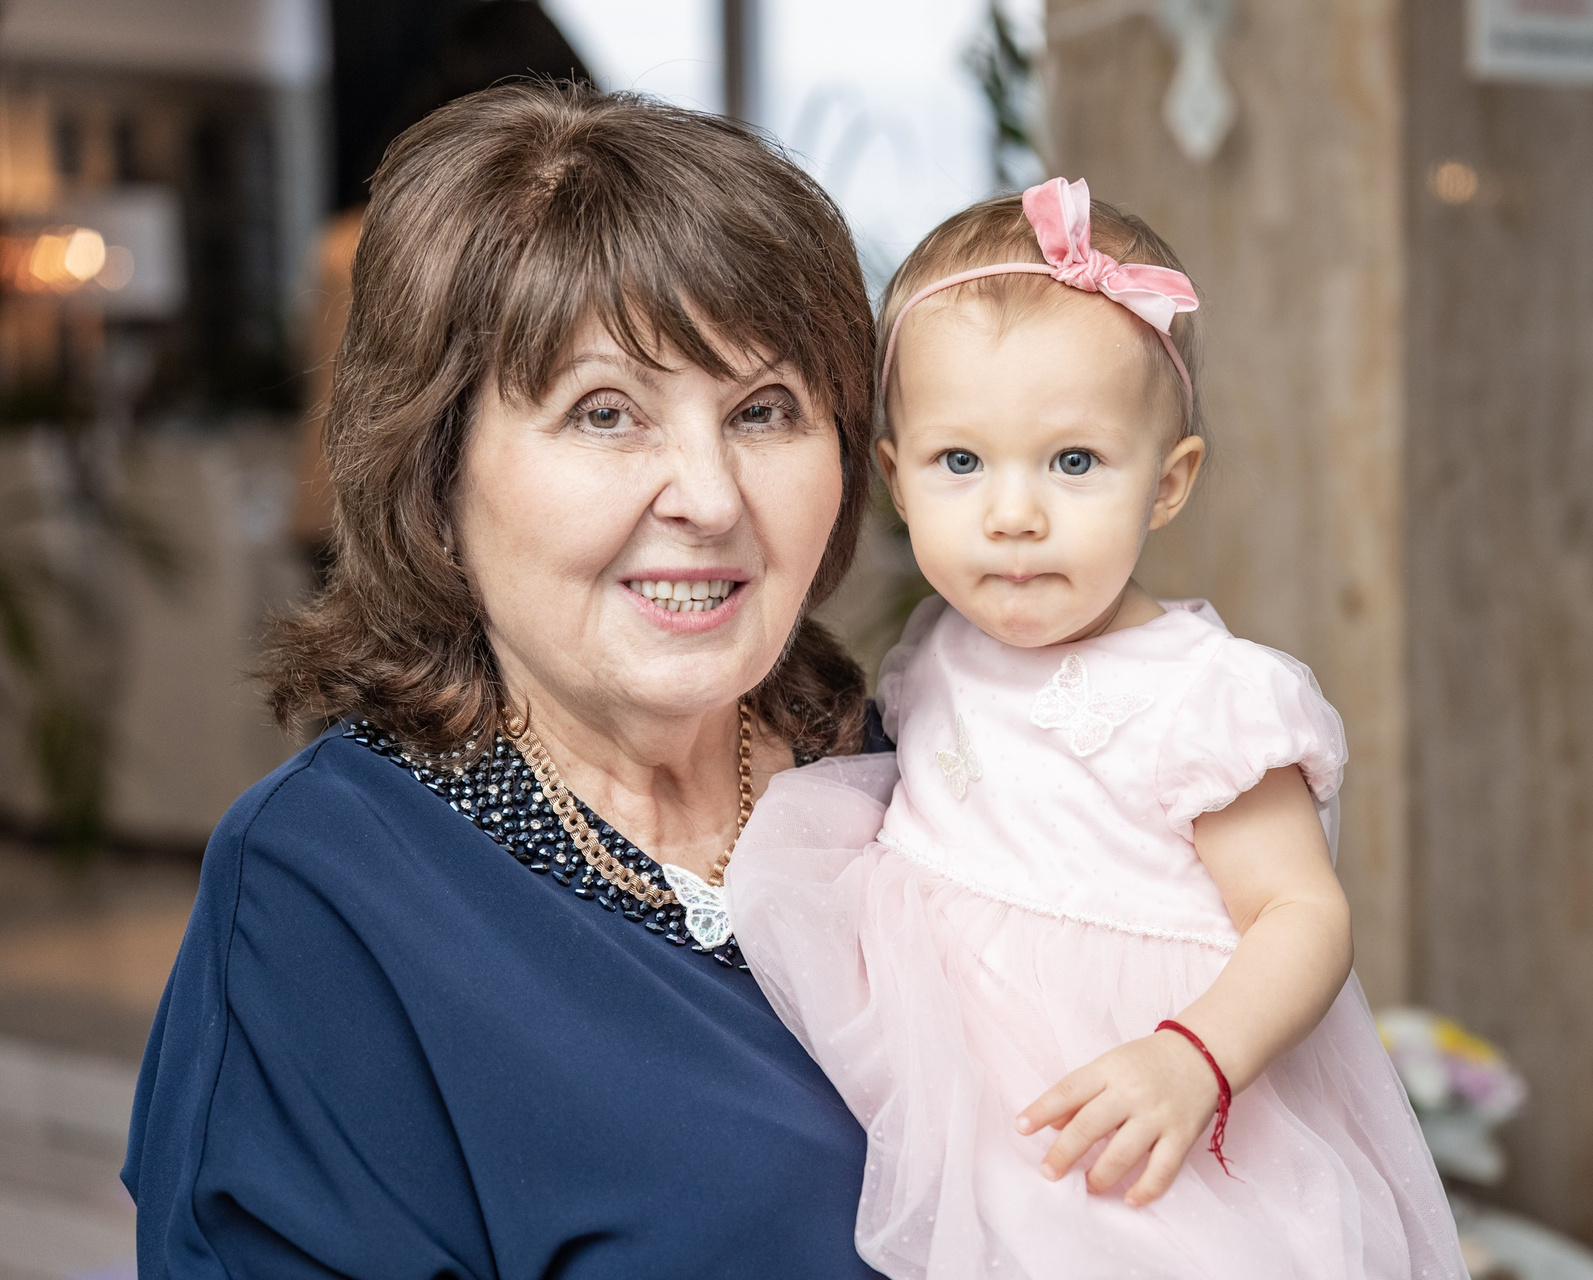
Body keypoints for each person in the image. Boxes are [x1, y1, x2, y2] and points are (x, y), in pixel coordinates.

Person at [123, 84, 883, 1277]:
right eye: (606, 413)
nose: (710, 495)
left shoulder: (923, 771)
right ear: (436, 471)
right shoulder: (327, 888)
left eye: (764, 409)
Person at [728, 179, 1466, 1279]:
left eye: (1073, 462)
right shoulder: (938, 646)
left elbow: (1304, 915)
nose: (1013, 514)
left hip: (1128, 1110)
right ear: (895, 479)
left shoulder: (1205, 698)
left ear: (1167, 483)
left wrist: (1195, 1060)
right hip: (960, 1090)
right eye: (960, 462)